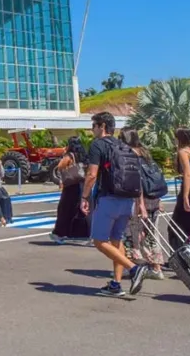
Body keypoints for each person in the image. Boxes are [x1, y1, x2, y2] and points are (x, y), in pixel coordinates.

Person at [80, 111, 148, 298]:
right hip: (127, 200)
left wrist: (84, 197)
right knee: (116, 241)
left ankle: (134, 269)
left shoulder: (98, 145)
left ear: (102, 126)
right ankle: (116, 284)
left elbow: (92, 174)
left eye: (93, 125)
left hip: (108, 198)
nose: (92, 129)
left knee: (99, 241)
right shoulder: (124, 145)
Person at [119, 129, 166, 280]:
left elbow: (136, 182)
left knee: (133, 233)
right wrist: (159, 199)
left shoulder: (128, 154)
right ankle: (155, 267)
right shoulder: (145, 152)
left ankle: (132, 266)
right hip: (153, 198)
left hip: (138, 200)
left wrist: (140, 205)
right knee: (152, 233)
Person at [50, 136, 90, 243]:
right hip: (81, 184)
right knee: (79, 209)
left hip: (71, 185)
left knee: (64, 209)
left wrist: (65, 155)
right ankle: (82, 233)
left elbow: (60, 166)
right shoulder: (83, 155)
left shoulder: (70, 155)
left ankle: (60, 233)